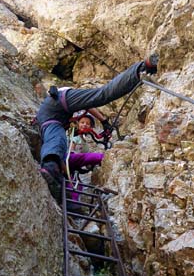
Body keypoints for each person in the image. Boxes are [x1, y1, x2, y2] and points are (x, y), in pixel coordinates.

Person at [37, 55, 158, 199]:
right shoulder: (53, 118)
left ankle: (50, 166)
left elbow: (55, 138)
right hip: (61, 101)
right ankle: (141, 69)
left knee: (57, 136)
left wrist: (52, 167)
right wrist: (104, 120)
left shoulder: (48, 119)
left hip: (57, 103)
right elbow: (89, 103)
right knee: (102, 94)